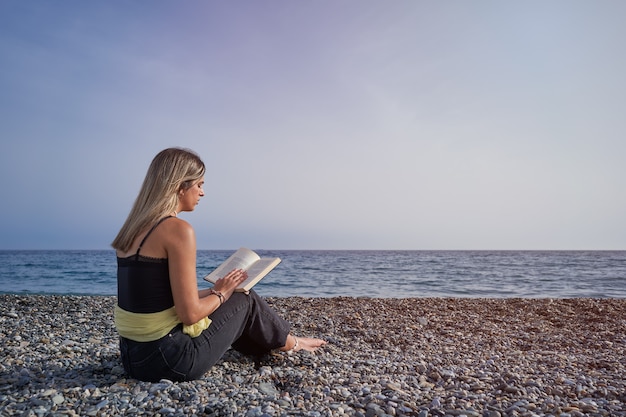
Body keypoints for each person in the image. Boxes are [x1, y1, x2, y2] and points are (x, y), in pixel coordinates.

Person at [111, 147, 326, 382]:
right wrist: (222, 294)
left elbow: (161, 297)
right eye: (199, 185)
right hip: (170, 362)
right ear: (179, 186)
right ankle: (292, 343)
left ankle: (279, 342)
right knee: (245, 298)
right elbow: (189, 314)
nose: (202, 193)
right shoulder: (178, 230)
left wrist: (219, 289)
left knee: (236, 291)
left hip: (133, 358)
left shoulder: (131, 230)